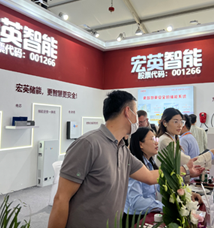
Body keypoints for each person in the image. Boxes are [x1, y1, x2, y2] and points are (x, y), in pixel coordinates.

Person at [48, 90, 161, 228]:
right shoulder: (89, 144)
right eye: (136, 113)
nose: (137, 120)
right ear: (127, 112)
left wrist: (181, 170)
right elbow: (61, 199)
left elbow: (149, 176)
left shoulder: (122, 149)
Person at [156, 108, 214, 173]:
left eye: (181, 122)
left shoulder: (172, 138)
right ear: (165, 123)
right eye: (176, 122)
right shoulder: (165, 140)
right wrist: (211, 154)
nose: (180, 125)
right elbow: (187, 163)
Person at [123, 127, 162, 228]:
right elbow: (136, 202)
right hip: (134, 219)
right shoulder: (135, 167)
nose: (156, 142)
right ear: (140, 144)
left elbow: (160, 187)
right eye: (152, 139)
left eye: (156, 138)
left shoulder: (150, 163)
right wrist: (161, 206)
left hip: (147, 214)